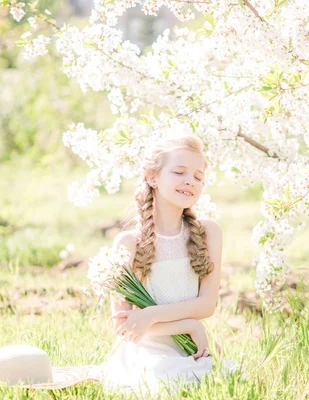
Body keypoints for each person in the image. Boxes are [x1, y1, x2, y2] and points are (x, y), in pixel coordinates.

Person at [97, 134, 237, 396]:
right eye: (179, 172)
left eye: (198, 177)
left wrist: (150, 315)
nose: (189, 181)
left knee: (216, 382)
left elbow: (206, 305)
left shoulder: (209, 233)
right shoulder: (128, 243)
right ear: (152, 177)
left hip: (193, 347)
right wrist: (189, 326)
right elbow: (123, 326)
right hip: (147, 349)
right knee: (165, 383)